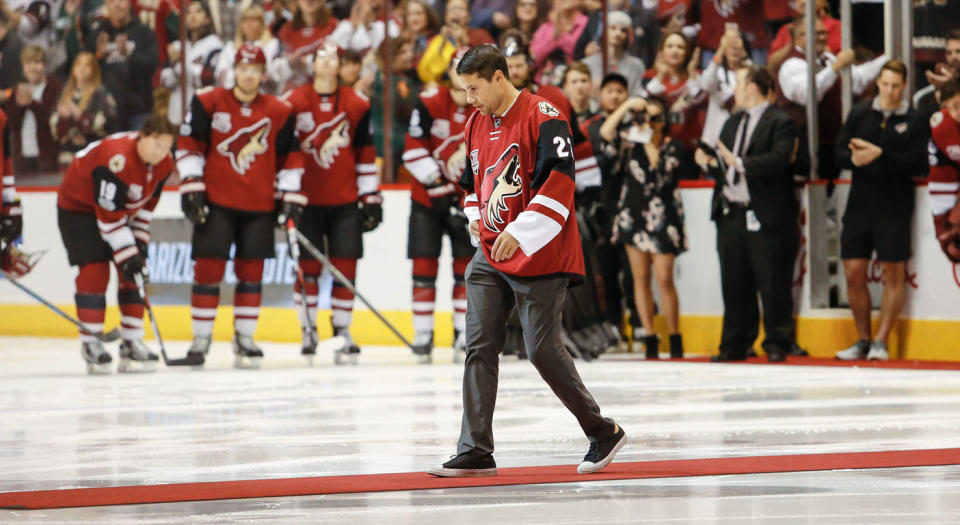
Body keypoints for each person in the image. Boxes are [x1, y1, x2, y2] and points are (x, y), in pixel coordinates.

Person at [427, 44, 625, 478]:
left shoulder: (546, 115)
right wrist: (477, 218)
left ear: (500, 77)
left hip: (541, 252)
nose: (469, 99)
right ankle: (475, 448)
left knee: (541, 349)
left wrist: (519, 233)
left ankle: (601, 430)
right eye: (464, 90)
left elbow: (559, 182)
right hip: (491, 254)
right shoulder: (476, 122)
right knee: (479, 344)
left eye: (474, 88)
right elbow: (471, 183)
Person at [177, 44, 304, 369]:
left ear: (263, 75)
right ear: (235, 71)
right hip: (217, 202)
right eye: (243, 69)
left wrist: (288, 195)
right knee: (208, 270)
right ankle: (201, 337)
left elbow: (290, 156)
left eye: (255, 70)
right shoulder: (208, 101)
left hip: (259, 204)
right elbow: (190, 144)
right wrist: (192, 184)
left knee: (251, 274)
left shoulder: (280, 110)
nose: (248, 75)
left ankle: (244, 337)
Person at [55, 115, 177, 374]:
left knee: (134, 270)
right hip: (79, 208)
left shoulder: (165, 163)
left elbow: (146, 205)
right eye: (156, 144)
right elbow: (108, 217)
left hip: (120, 213)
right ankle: (91, 343)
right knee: (95, 270)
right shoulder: (116, 159)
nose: (161, 152)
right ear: (142, 137)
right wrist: (127, 251)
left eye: (167, 146)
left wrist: (139, 244)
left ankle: (132, 341)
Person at [284, 42, 381, 366]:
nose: (326, 63)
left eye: (332, 58)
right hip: (306, 202)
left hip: (344, 201)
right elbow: (284, 152)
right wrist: (285, 194)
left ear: (340, 65)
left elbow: (365, 152)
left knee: (345, 268)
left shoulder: (357, 103)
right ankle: (308, 329)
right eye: (320, 57)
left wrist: (370, 196)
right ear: (311, 64)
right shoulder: (293, 102)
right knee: (307, 270)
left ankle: (342, 329)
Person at [694, 65, 799, 363]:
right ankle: (735, 343)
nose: (735, 90)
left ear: (753, 86)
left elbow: (779, 160)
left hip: (766, 214)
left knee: (773, 281)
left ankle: (778, 341)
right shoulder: (732, 121)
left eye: (739, 83)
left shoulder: (781, 122)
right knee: (734, 280)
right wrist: (708, 161)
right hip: (731, 213)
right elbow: (724, 165)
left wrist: (739, 163)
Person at [833, 60, 926, 362]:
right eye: (885, 84)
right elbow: (837, 153)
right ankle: (862, 338)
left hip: (894, 206)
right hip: (860, 204)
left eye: (895, 86)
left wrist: (881, 155)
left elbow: (918, 162)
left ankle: (881, 341)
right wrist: (854, 160)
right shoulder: (861, 113)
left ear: (904, 87)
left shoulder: (914, 119)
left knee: (892, 272)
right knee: (853, 271)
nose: (889, 90)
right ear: (878, 83)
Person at [600, 95, 686, 359]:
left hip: (663, 216)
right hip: (633, 214)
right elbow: (606, 133)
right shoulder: (630, 141)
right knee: (639, 278)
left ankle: (674, 336)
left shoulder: (672, 146)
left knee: (664, 278)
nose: (648, 122)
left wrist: (648, 137)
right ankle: (649, 334)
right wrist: (627, 106)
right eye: (644, 116)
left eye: (654, 117)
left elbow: (661, 171)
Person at [402, 57, 473, 364]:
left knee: (465, 270)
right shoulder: (429, 102)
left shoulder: (483, 107)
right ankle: (423, 333)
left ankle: (463, 333)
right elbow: (413, 150)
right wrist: (440, 187)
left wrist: (468, 199)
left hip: (466, 205)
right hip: (427, 201)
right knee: (423, 268)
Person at [776, 16, 887, 182]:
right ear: (799, 37)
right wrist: (835, 68)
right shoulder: (791, 65)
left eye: (824, 33)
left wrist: (888, 56)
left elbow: (858, 81)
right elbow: (808, 95)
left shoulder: (828, 58)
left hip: (833, 142)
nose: (822, 37)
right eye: (817, 33)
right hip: (808, 146)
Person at [84, 0, 158, 131]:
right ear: (106, 4)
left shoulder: (144, 32)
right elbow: (83, 71)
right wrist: (99, 56)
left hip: (139, 111)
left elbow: (152, 66)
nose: (117, 5)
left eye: (121, 0)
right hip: (107, 114)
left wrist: (129, 55)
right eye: (112, 1)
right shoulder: (97, 34)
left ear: (130, 3)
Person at [159, 1, 223, 126]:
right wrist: (176, 66)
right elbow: (165, 81)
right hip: (177, 114)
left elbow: (206, 79)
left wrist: (180, 63)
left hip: (203, 114)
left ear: (208, 18)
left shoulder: (215, 44)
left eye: (198, 11)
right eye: (188, 12)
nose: (192, 16)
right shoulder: (178, 45)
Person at [50, 51, 118, 168]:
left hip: (93, 154)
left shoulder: (100, 93)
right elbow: (56, 131)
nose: (82, 68)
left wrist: (76, 114)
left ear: (94, 70)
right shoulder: (64, 93)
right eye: (79, 64)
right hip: (67, 157)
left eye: (87, 65)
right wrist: (64, 119)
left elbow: (107, 122)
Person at [4, 45, 61, 176]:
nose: (33, 68)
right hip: (22, 156)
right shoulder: (18, 89)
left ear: (45, 65)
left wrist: (32, 103)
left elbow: (53, 121)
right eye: (28, 63)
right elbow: (11, 124)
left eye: (37, 62)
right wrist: (19, 106)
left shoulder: (54, 86)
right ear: (23, 66)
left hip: (47, 157)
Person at [416, 0, 493, 85]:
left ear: (469, 16)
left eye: (460, 9)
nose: (456, 12)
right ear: (446, 17)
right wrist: (441, 44)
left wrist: (467, 43)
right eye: (452, 9)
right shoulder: (437, 40)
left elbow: (493, 62)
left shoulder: (481, 35)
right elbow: (425, 72)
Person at [699, 29, 750, 151]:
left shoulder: (751, 72)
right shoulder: (717, 72)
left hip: (741, 138)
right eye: (729, 45)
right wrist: (720, 50)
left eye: (737, 44)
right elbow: (705, 84)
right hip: (714, 139)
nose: (733, 48)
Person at [214, 4, 282, 95]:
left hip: (264, 97)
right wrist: (246, 76)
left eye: (254, 20)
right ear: (240, 24)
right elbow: (220, 75)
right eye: (246, 20)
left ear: (262, 23)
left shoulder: (274, 45)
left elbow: (277, 76)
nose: (249, 24)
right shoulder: (230, 47)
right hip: (235, 98)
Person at [274, 0, 339, 92]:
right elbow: (275, 68)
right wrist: (289, 64)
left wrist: (306, 63)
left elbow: (338, 61)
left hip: (323, 90)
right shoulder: (286, 29)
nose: (309, 1)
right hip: (292, 91)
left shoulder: (334, 26)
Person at [928, 79, 960, 265]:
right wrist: (943, 224)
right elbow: (941, 175)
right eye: (950, 108)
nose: (956, 114)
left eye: (958, 105)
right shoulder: (941, 126)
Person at [581, 10, 645, 97]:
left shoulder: (636, 65)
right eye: (613, 28)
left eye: (623, 30)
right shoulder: (587, 64)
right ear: (604, 31)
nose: (618, 33)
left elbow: (636, 93)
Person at [767, 0, 841, 73]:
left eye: (821, 33)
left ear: (823, 2)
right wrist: (793, 43)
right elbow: (771, 65)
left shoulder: (837, 26)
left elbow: (845, 60)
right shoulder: (787, 29)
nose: (802, 2)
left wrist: (818, 47)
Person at [529, 0, 587, 86]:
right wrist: (555, 28)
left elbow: (578, 51)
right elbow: (532, 59)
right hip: (543, 85)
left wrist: (559, 34)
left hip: (575, 83)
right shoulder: (545, 27)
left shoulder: (585, 23)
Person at [328, 0, 400, 54]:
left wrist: (360, 26)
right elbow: (330, 48)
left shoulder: (388, 25)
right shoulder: (346, 26)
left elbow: (368, 53)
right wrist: (359, 26)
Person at [400, 0, 440, 68]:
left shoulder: (438, 40)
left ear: (428, 16)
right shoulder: (402, 41)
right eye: (409, 14)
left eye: (418, 13)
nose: (414, 19)